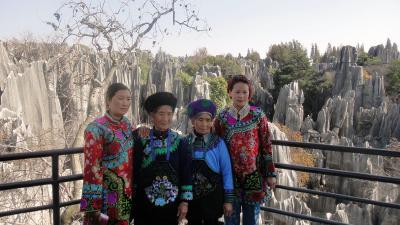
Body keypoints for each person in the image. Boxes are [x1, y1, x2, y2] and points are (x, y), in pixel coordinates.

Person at [214, 75, 277, 225]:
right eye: (237, 92)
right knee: (231, 219)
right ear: (230, 93)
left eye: (244, 92)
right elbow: (216, 146)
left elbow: (266, 146)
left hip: (253, 176)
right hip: (230, 179)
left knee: (252, 220)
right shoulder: (222, 118)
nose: (241, 95)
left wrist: (270, 173)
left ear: (249, 94)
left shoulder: (257, 115)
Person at [132, 92, 193, 225]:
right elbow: (135, 173)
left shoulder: (181, 142)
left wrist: (185, 202)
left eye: (169, 114)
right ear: (152, 115)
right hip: (144, 206)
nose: (165, 118)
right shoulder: (141, 141)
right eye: (161, 114)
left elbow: (186, 172)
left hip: (172, 206)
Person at [80, 83, 134, 225]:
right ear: (108, 101)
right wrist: (92, 205)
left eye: (128, 99)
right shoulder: (96, 129)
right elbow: (92, 168)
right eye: (121, 98)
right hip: (106, 193)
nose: (125, 103)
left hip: (126, 193)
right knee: (106, 221)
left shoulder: (127, 124)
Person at [185, 99, 234, 225]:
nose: (204, 124)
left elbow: (227, 172)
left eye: (208, 120)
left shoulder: (218, 143)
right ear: (192, 121)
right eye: (200, 119)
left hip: (213, 196)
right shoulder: (185, 142)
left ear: (212, 122)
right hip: (191, 196)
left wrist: (228, 200)